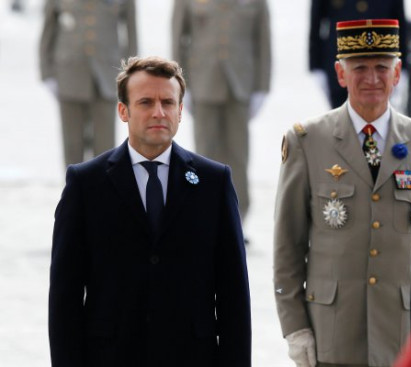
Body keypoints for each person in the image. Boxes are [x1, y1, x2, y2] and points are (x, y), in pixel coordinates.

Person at [49, 56, 252, 366]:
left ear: (181, 111)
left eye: (168, 102)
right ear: (123, 111)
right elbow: (65, 296)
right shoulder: (86, 183)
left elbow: (233, 294)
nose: (159, 112)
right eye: (145, 102)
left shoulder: (214, 182)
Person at [274, 19, 411, 367]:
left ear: (398, 72)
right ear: (341, 74)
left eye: (381, 68)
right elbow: (287, 250)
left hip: (404, 333)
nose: (372, 79)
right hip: (333, 334)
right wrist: (295, 328)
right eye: (360, 68)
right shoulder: (307, 142)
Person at [172, 0, 271, 231]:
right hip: (203, 81)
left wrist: (262, 87)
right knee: (204, 153)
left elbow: (263, 40)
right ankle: (204, 214)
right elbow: (178, 37)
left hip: (241, 83)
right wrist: (177, 83)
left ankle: (237, 218)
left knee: (239, 153)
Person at [39, 0, 137, 167]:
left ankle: (101, 192)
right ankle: (74, 191)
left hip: (107, 76)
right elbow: (48, 30)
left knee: (105, 148)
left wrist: (131, 72)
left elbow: (131, 32)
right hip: (69, 75)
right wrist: (47, 72)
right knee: (72, 147)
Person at [309, 0, 407, 108]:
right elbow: (316, 23)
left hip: (380, 63)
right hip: (340, 64)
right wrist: (316, 66)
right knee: (342, 118)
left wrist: (403, 67)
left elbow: (400, 23)